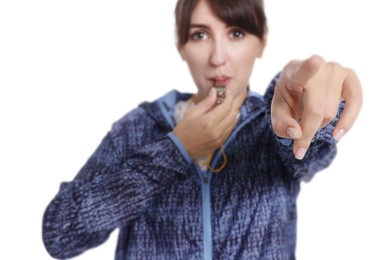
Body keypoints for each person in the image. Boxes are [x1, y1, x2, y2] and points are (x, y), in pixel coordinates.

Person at [42, 0, 362, 259]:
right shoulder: (138, 127)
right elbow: (61, 235)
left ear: (261, 41)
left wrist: (304, 90)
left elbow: (311, 150)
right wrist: (176, 149)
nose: (218, 58)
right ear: (181, 46)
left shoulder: (272, 124)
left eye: (236, 33)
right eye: (200, 35)